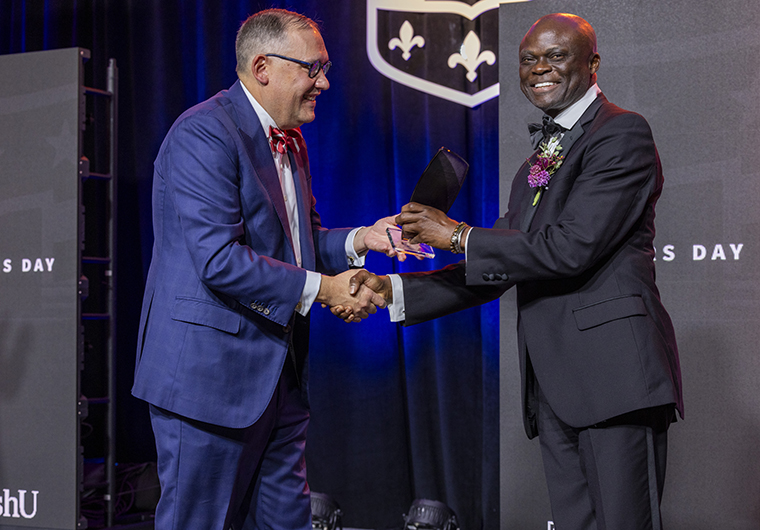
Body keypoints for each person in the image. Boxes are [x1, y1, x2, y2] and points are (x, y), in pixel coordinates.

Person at [346, 13, 683, 530]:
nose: (539, 68)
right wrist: (393, 289)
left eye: (555, 56)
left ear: (593, 64)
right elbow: (502, 261)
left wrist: (456, 234)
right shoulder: (538, 162)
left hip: (614, 381)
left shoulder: (622, 133)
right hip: (555, 387)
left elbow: (570, 248)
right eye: (528, 60)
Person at [132, 8, 397, 530]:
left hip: (280, 381)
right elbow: (218, 260)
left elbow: (298, 244)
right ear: (262, 68)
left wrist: (361, 239)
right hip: (207, 385)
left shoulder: (290, 138)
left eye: (324, 68)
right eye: (313, 69)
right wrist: (325, 290)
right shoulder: (202, 135)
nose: (325, 81)